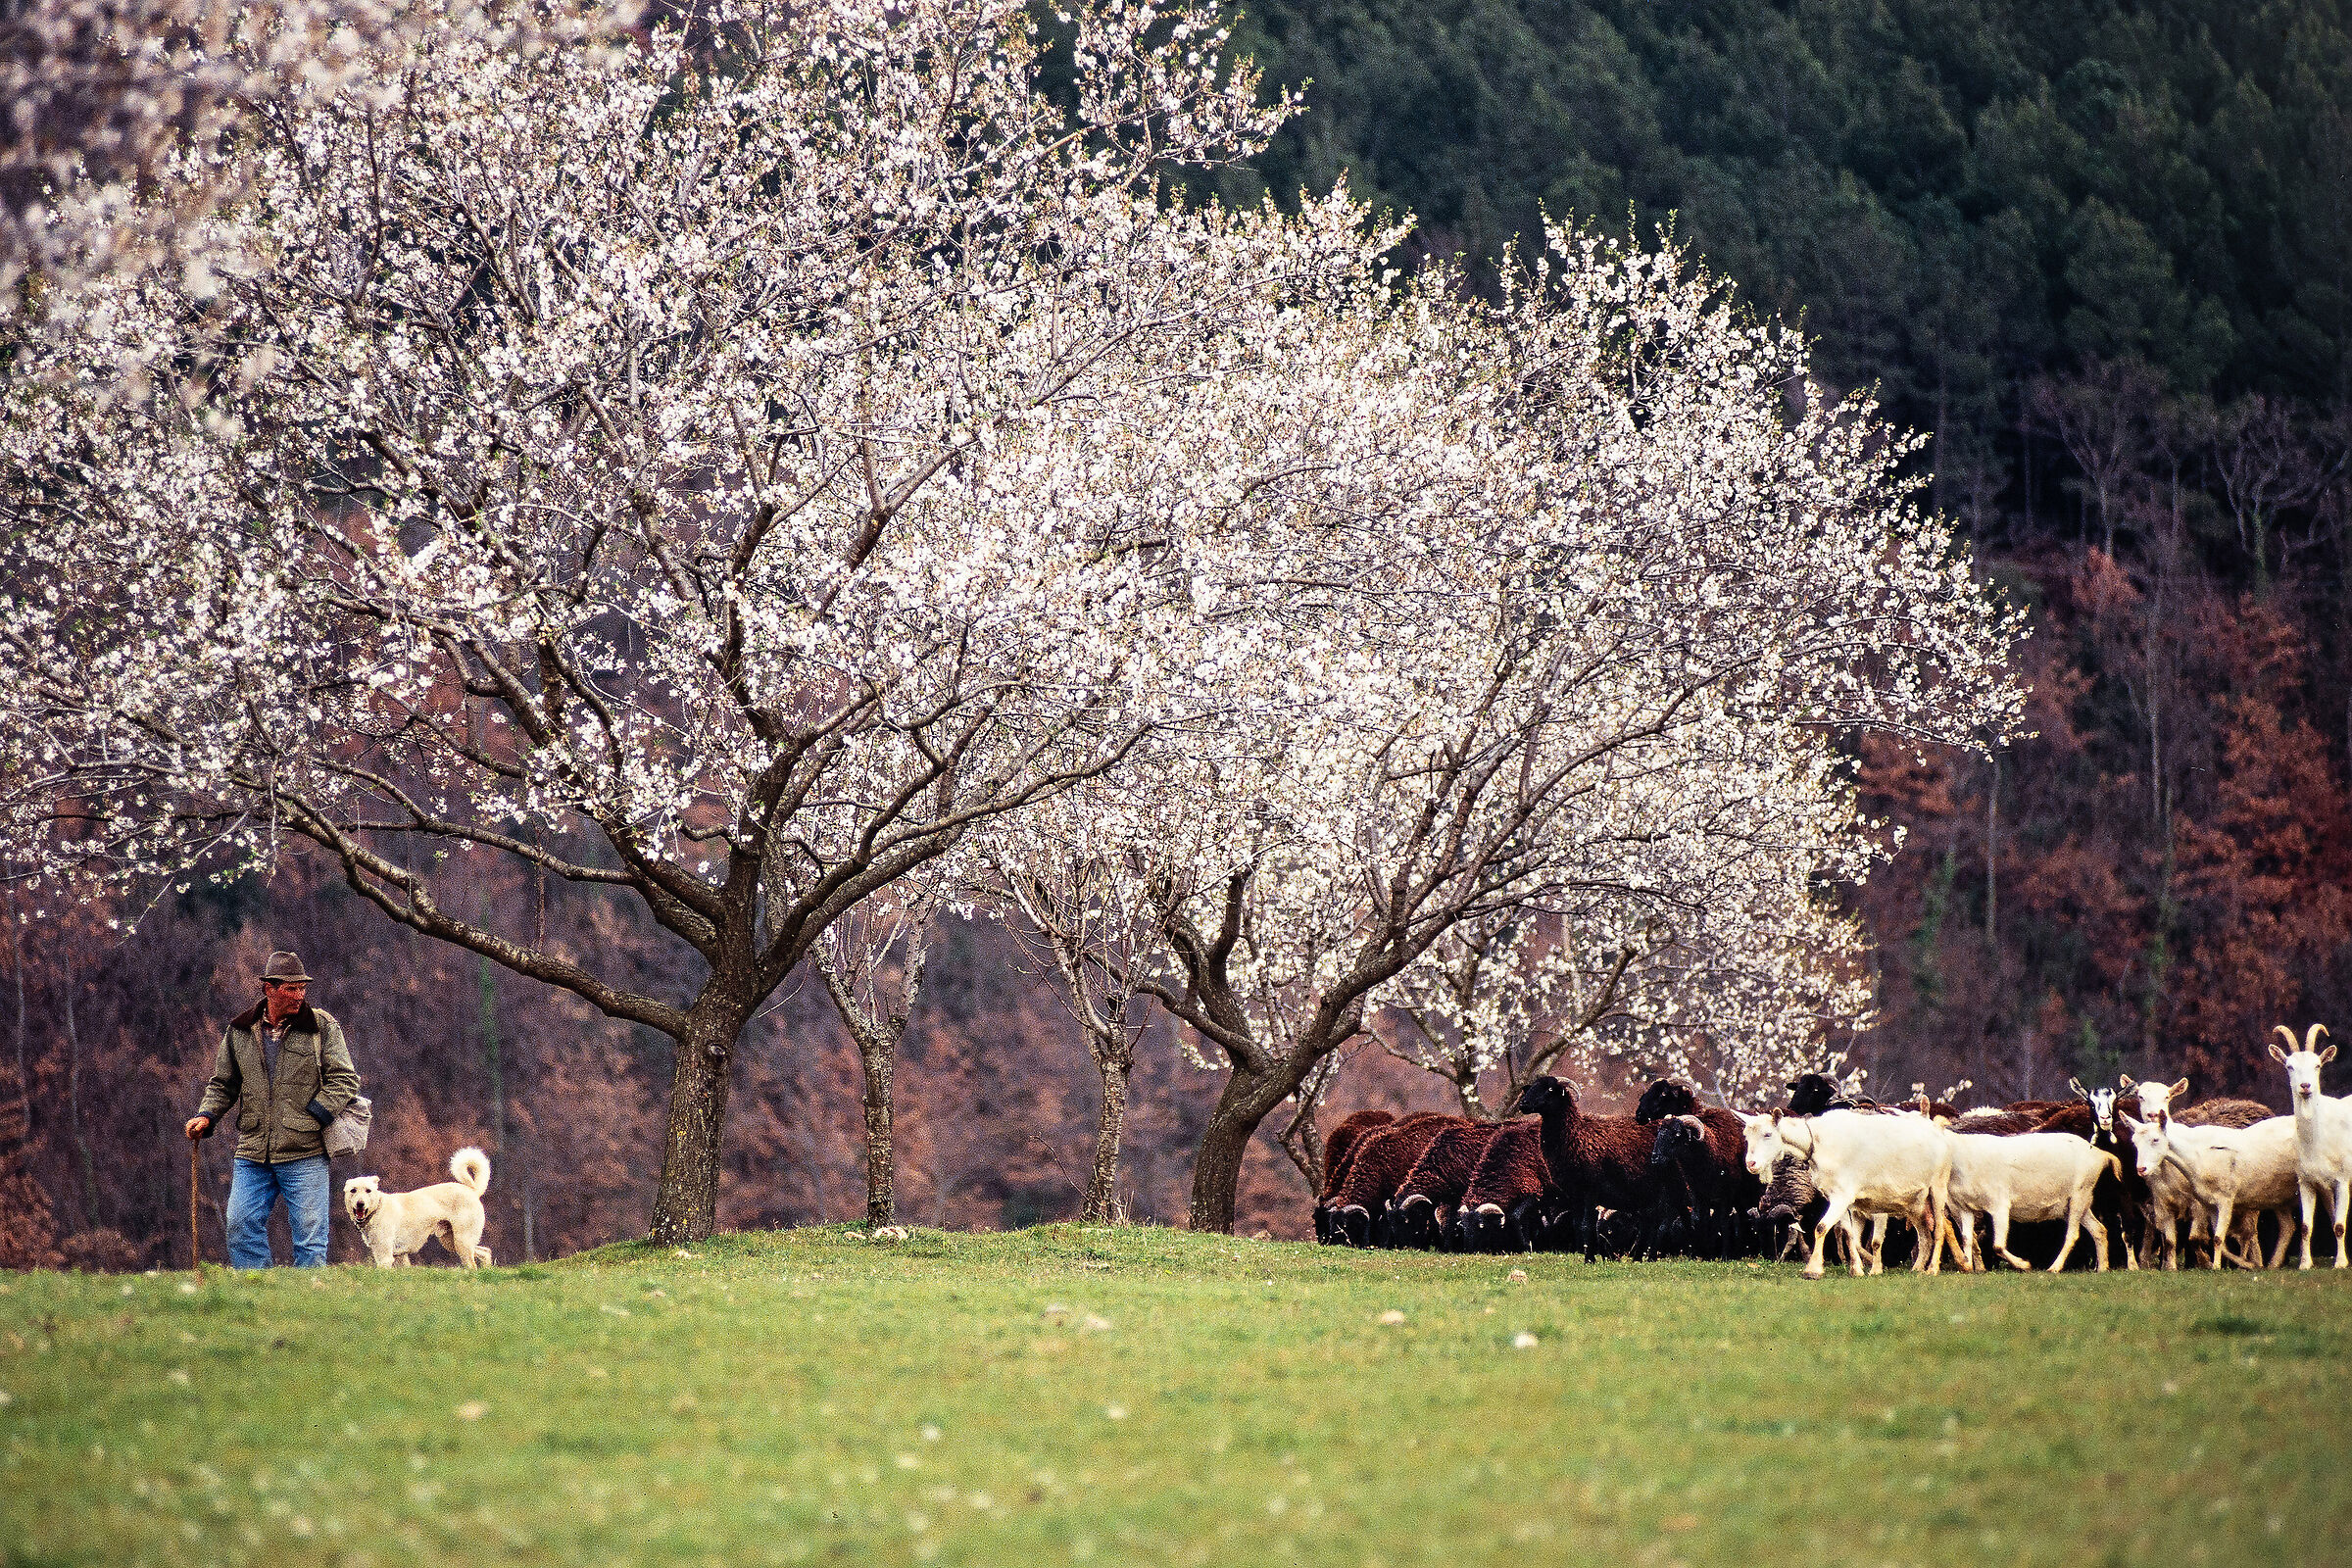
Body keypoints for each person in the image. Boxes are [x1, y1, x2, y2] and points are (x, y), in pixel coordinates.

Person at [183, 952, 362, 1268]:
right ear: (269, 989)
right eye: (291, 989)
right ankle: (260, 1294)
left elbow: (345, 1079)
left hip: (306, 1151)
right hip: (252, 1152)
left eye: (302, 988)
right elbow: (223, 1084)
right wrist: (206, 1115)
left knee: (310, 1241)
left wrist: (315, 1115)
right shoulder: (239, 1031)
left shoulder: (322, 1026)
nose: (299, 995)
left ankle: (309, 1308)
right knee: (239, 1227)